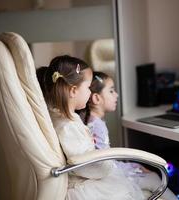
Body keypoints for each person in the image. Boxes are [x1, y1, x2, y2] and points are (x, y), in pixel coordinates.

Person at [37, 55, 144, 200]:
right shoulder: (67, 127)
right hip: (85, 185)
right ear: (74, 91)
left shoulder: (64, 119)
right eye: (88, 87)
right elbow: (85, 164)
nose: (90, 92)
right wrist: (108, 167)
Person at [80, 71, 177, 200]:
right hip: (109, 176)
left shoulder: (90, 121)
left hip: (106, 170)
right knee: (154, 177)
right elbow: (105, 163)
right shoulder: (97, 126)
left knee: (145, 171)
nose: (116, 95)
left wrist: (132, 166)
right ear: (97, 98)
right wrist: (132, 167)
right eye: (111, 91)